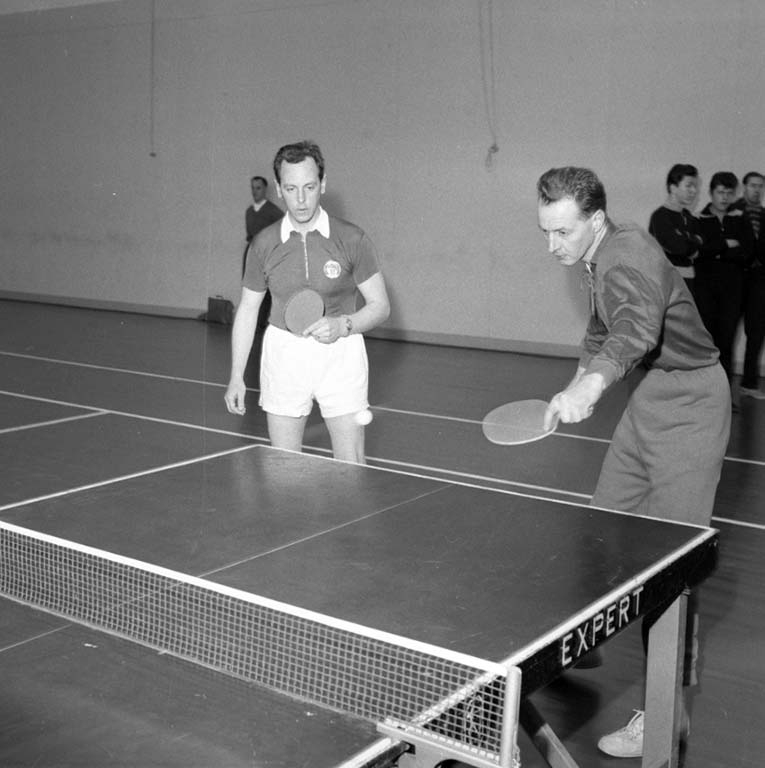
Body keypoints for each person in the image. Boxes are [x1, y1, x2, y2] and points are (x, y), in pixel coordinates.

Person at [537, 167, 730, 759]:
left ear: (594, 220)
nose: (553, 246)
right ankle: (581, 646)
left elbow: (635, 331)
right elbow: (602, 331)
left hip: (693, 404)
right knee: (603, 527)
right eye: (546, 232)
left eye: (563, 232)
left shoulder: (628, 257)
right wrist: (573, 383)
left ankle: (666, 714)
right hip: (652, 396)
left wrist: (593, 387)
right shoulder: (598, 255)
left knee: (671, 565)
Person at [224, 141, 390, 463]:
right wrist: (236, 376)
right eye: (291, 188)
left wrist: (343, 325)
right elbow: (248, 309)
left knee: (351, 465)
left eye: (309, 187)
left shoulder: (352, 239)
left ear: (323, 184)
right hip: (283, 354)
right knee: (284, 468)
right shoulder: (263, 244)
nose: (300, 199)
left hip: (341, 354)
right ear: (278, 189)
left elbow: (380, 306)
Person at [696, 172, 751, 392]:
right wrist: (727, 245)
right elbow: (699, 251)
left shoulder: (741, 218)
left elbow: (747, 252)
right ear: (711, 193)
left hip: (733, 289)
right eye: (720, 192)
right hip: (705, 288)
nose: (725, 197)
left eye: (729, 193)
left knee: (726, 341)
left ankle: (724, 395)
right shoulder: (699, 219)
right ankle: (704, 393)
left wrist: (716, 249)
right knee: (705, 342)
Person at [729, 171, 765, 399]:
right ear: (744, 187)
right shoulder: (732, 211)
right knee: (727, 331)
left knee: (757, 331)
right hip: (734, 279)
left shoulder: (764, 215)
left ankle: (749, 383)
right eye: (753, 185)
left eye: (760, 186)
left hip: (759, 280)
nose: (757, 190)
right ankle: (719, 383)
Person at [648, 164, 703, 297]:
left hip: (689, 279)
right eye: (689, 186)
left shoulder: (688, 216)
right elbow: (677, 246)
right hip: (667, 281)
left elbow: (703, 243)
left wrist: (687, 239)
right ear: (673, 188)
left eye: (695, 186)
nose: (694, 191)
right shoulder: (660, 216)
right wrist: (692, 241)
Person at [243, 175, 284, 275]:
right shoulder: (249, 212)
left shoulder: (273, 211)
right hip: (252, 253)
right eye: (253, 188)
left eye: (258, 188)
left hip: (268, 254)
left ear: (265, 189)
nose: (255, 192)